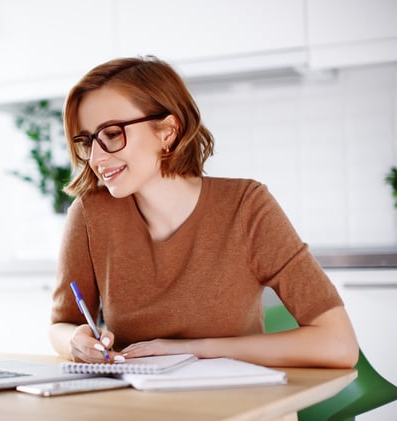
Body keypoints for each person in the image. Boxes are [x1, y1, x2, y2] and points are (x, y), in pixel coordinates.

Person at [48, 56, 358, 369]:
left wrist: (192, 349)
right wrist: (75, 341)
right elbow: (61, 326)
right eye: (86, 141)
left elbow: (338, 344)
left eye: (112, 134)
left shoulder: (246, 205)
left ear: (167, 131)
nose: (97, 157)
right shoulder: (90, 215)